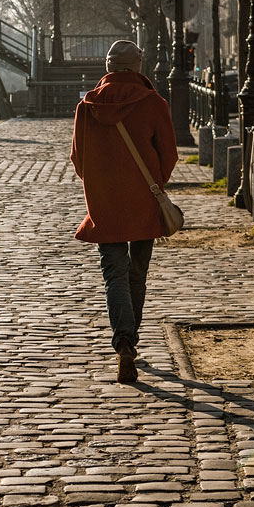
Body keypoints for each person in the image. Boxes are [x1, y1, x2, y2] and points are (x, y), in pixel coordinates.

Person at [70, 40, 178, 383]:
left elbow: (78, 158)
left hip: (104, 202)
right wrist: (153, 182)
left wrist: (100, 183)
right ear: (138, 66)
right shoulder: (153, 103)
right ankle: (132, 339)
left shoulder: (87, 106)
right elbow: (170, 153)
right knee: (137, 273)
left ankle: (123, 342)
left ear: (108, 66)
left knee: (113, 273)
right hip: (144, 200)